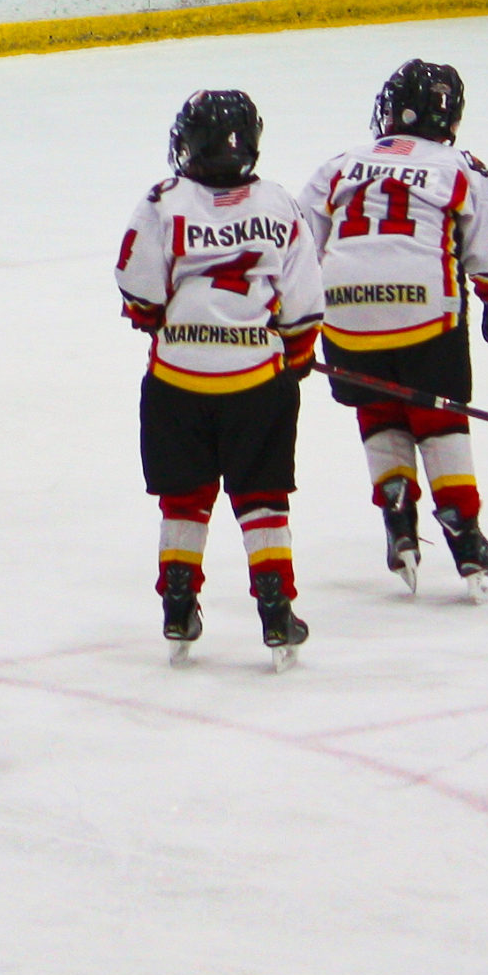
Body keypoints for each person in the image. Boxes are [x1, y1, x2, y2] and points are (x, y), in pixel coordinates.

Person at [299, 60, 488, 600]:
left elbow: (298, 246)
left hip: (344, 311)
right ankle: (465, 535)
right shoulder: (462, 167)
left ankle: (398, 514)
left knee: (377, 401)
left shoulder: (340, 164)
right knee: (438, 411)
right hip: (424, 309)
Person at [114, 90, 323, 669]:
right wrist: (296, 352)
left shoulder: (162, 201)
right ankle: (276, 611)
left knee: (184, 498)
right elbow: (304, 302)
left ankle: (178, 606)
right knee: (263, 498)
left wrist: (167, 323)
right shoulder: (279, 203)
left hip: (177, 381)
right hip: (257, 382)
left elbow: (139, 291)